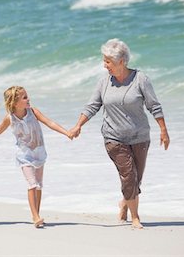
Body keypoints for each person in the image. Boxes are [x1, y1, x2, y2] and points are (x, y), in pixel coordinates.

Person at [69, 38, 170, 229]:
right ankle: (135, 218)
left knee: (136, 179)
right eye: (104, 60)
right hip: (113, 138)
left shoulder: (141, 79)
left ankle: (124, 203)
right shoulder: (104, 83)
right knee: (129, 176)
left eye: (108, 61)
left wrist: (163, 130)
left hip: (140, 137)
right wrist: (78, 125)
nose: (104, 65)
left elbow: (154, 106)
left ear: (121, 61)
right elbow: (92, 106)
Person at [0, 86, 72, 228]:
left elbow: (50, 123)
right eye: (24, 97)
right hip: (24, 156)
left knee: (39, 186)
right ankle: (35, 216)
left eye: (27, 96)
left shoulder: (34, 112)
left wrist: (67, 133)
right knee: (32, 184)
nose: (28, 99)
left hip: (39, 153)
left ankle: (37, 213)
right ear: (14, 102)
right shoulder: (10, 118)